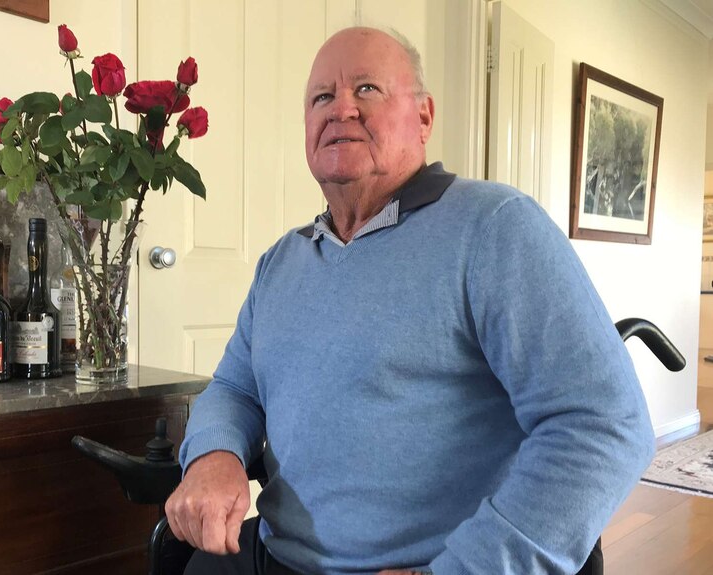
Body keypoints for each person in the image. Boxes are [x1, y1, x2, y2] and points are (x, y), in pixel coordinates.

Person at [164, 26, 655, 575]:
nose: (341, 108)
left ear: (424, 117)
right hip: (276, 555)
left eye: (367, 89)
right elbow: (234, 387)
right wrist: (213, 453)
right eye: (322, 97)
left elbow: (603, 424)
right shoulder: (281, 262)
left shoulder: (494, 228)